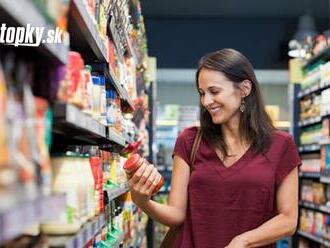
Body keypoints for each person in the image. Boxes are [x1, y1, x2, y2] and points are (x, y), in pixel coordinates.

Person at [128, 48, 301, 248]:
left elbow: (288, 220)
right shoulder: (189, 141)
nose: (206, 101)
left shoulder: (281, 145)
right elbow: (176, 215)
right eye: (202, 93)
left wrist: (243, 241)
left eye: (214, 91)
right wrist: (143, 202)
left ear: (245, 88)